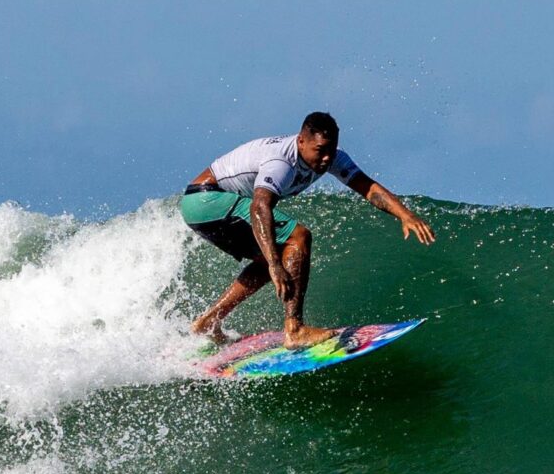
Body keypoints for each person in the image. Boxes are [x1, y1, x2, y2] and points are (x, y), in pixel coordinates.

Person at [181, 112, 435, 347]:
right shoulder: (281, 162)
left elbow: (366, 186)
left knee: (276, 258)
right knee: (298, 237)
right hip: (206, 200)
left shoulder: (331, 157)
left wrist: (405, 215)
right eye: (320, 151)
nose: (326, 159)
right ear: (301, 142)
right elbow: (260, 207)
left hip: (202, 207)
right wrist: (274, 262)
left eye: (331, 150)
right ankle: (295, 329)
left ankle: (208, 322)